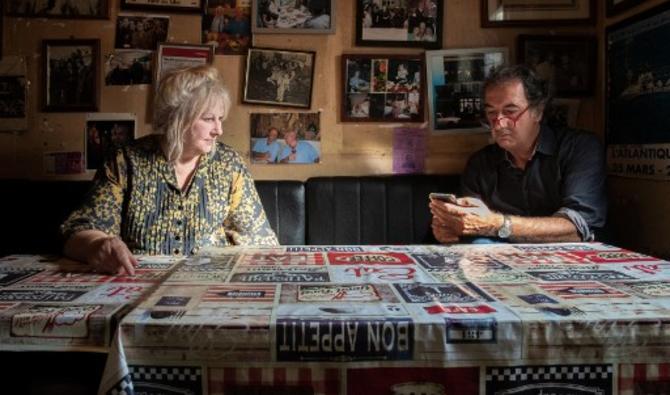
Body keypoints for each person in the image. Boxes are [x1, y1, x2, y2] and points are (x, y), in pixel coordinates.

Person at [61, 65, 278, 274]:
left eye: (220, 119)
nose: (218, 130)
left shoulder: (228, 163)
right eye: (208, 119)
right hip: (137, 282)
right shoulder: (125, 160)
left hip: (208, 283)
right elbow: (78, 231)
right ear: (177, 118)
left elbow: (260, 238)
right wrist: (97, 244)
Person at [430, 65, 606, 244]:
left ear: (537, 111)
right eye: (491, 113)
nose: (499, 124)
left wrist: (497, 224)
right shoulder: (480, 164)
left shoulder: (579, 148)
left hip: (571, 261)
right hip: (502, 261)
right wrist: (451, 229)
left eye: (510, 111)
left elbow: (578, 227)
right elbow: (471, 225)